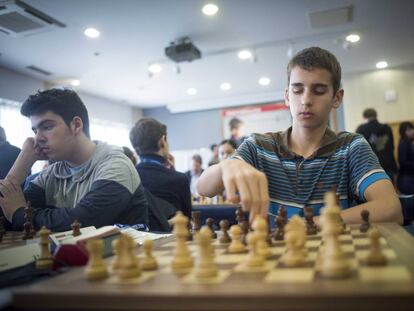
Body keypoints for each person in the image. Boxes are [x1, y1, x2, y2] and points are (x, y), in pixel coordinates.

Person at [198, 46, 402, 225]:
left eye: (319, 91)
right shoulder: (258, 146)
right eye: (297, 90)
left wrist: (309, 225)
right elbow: (204, 188)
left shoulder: (351, 147)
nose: (306, 100)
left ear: (337, 98)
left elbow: (391, 209)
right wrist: (227, 165)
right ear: (287, 96)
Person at [0, 88, 149, 232]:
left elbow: (80, 222)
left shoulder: (116, 165)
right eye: (35, 130)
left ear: (76, 125)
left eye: (46, 127)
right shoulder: (51, 174)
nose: (38, 138)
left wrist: (19, 215)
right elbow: (5, 215)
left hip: (126, 255)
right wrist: (23, 160)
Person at [130, 117, 191, 219]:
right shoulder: (180, 179)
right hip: (174, 234)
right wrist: (173, 173)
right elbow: (187, 220)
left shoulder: (128, 178)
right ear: (162, 141)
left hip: (135, 234)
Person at [356, 108, 398, 182]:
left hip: (371, 167)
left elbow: (359, 150)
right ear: (376, 115)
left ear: (364, 117)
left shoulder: (361, 129)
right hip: (388, 164)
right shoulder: (387, 128)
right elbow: (392, 147)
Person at [397, 121, 414, 195]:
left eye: (412, 129)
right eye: (408, 130)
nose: (412, 131)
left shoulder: (409, 141)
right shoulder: (404, 143)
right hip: (406, 178)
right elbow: (402, 161)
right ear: (403, 132)